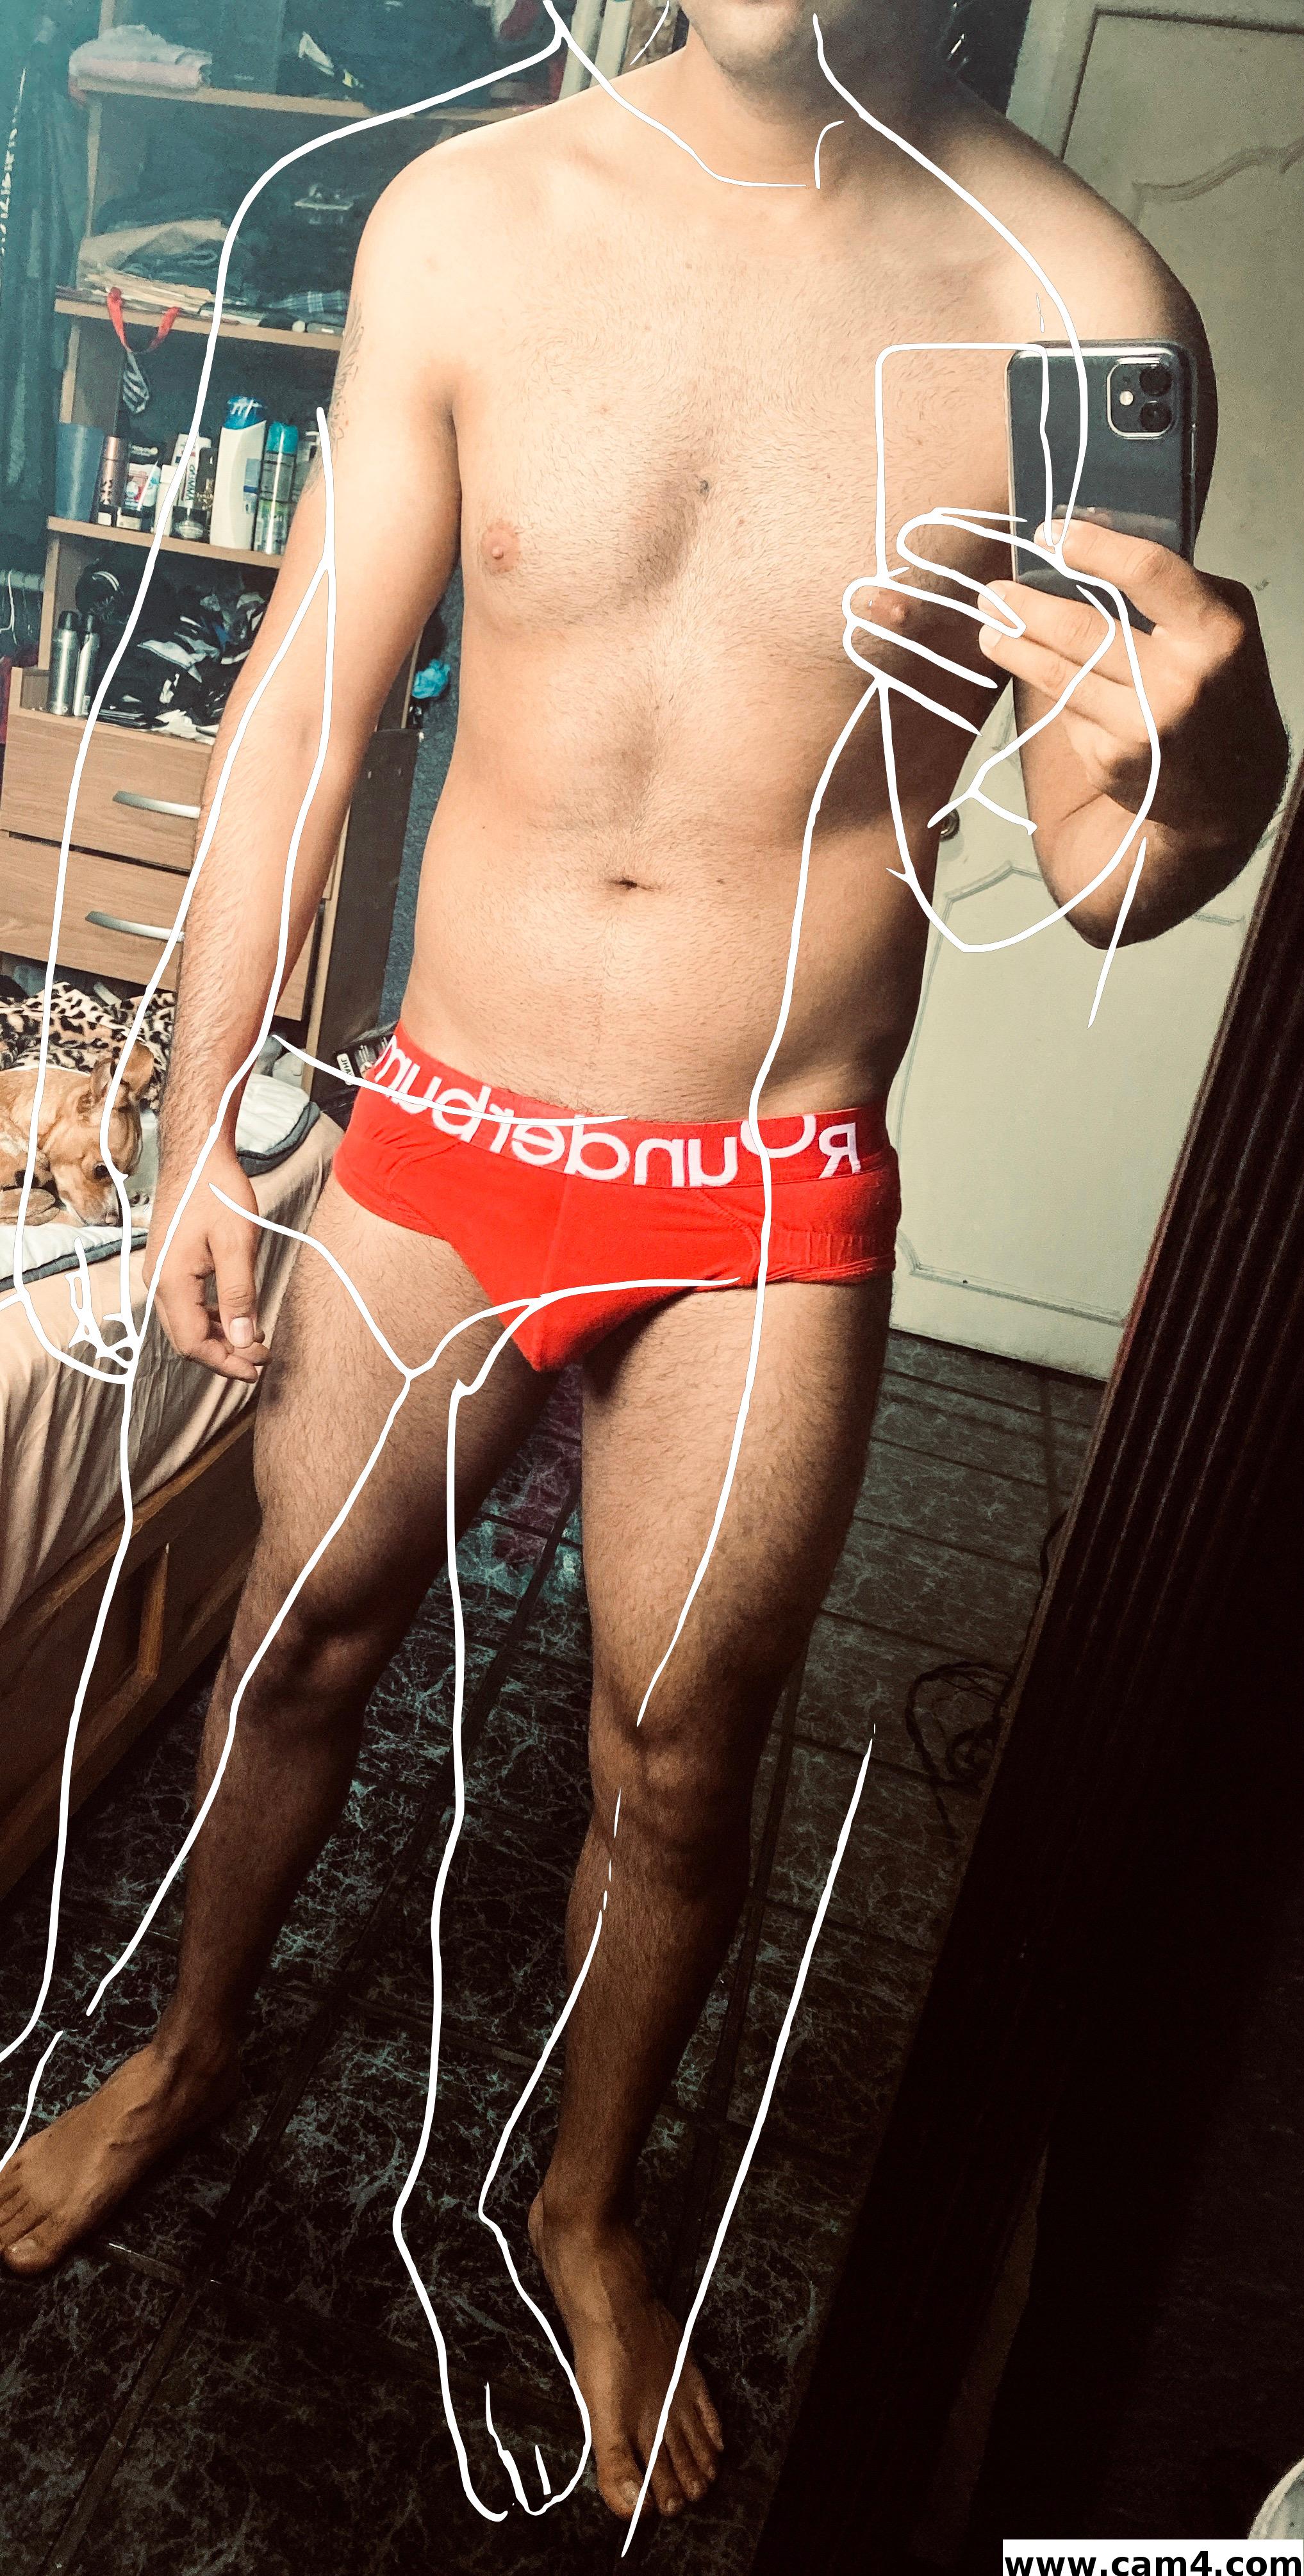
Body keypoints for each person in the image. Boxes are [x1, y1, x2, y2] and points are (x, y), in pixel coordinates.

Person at [0, 0, 1286, 2528]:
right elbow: (301, 713)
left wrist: (1216, 747)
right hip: (442, 1129)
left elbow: (1109, 871)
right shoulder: (463, 220)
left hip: (763, 1186)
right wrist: (216, 1121)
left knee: (678, 1757)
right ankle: (185, 2051)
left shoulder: (1074, 306)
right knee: (292, 1643)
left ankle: (584, 2209)